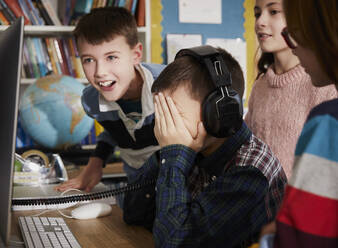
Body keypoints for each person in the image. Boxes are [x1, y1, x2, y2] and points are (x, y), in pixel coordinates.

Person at [129, 45, 287, 247]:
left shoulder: (250, 172)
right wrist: (166, 155)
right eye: (161, 114)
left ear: (220, 113)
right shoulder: (195, 148)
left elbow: (176, 243)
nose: (164, 127)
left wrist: (173, 157)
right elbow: (134, 213)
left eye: (172, 114)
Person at [55, 7, 165, 193]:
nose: (99, 72)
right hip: (138, 184)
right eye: (89, 60)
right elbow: (115, 131)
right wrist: (95, 162)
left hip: (180, 183)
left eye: (111, 57)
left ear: (136, 55)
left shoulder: (170, 86)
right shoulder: (92, 101)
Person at [259, 0, 338, 247]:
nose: (294, 48)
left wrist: (271, 236)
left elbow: (305, 239)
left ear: (322, 32)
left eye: (294, 33)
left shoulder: (328, 122)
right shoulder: (260, 85)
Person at [245, 0, 337, 178]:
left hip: (302, 202)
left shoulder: (324, 85)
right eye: (257, 14)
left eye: (273, 12)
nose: (260, 22)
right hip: (259, 203)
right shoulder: (259, 87)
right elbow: (248, 149)